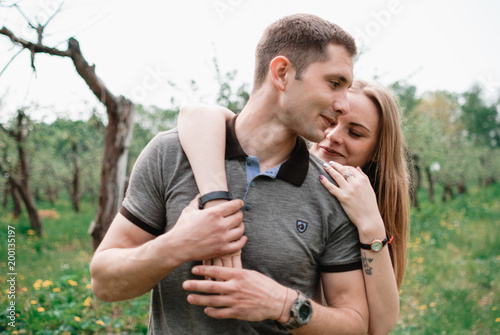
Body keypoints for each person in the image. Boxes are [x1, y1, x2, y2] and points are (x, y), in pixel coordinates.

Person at [91, 14, 370, 334]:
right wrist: (176, 245)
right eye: (334, 83)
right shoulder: (169, 154)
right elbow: (104, 283)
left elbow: (356, 325)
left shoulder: (332, 190)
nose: (344, 105)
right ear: (282, 73)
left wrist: (283, 304)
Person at [177, 80, 410, 334]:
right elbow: (196, 114)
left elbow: (379, 327)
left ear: (377, 150)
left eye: (355, 133)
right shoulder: (275, 156)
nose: (333, 137)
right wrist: (216, 204)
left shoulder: (363, 208)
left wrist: (371, 223)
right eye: (332, 122)